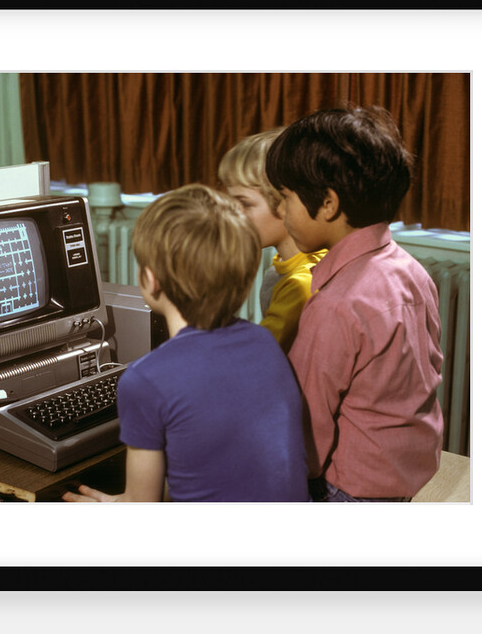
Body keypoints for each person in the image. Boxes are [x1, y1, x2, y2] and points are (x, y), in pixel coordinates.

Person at [62, 184, 309, 502]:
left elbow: (142, 507)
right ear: (247, 277)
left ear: (151, 280)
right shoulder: (264, 343)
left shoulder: (145, 380)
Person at [264, 106, 444, 502]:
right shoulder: (412, 271)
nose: (280, 211)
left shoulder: (334, 304)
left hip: (352, 488)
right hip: (407, 472)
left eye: (286, 198)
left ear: (327, 203)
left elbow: (308, 429)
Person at [218, 129, 327, 353]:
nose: (233, 214)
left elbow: (255, 355)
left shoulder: (301, 283)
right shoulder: (283, 265)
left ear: (284, 202)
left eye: (245, 204)